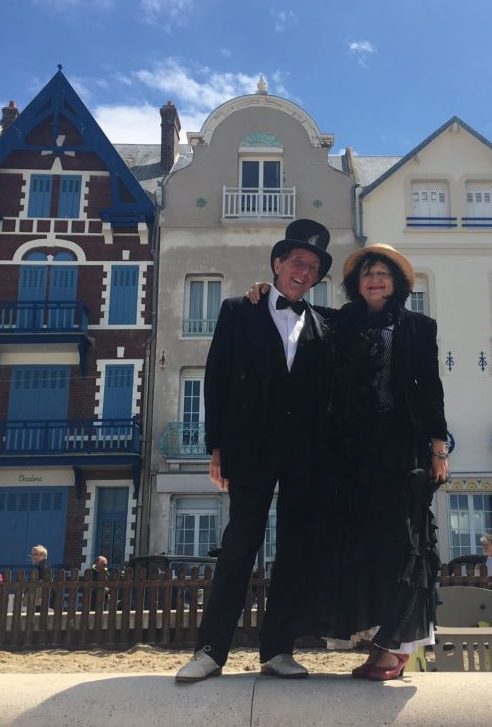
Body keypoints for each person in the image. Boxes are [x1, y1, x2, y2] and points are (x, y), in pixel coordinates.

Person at [175, 219, 333, 684]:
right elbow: (216, 378)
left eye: (314, 267)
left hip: (304, 455)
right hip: (251, 448)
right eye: (298, 262)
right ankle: (209, 651)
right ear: (278, 264)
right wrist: (216, 446)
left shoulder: (325, 325)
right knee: (239, 546)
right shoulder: (236, 310)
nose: (305, 272)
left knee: (293, 551)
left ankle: (278, 650)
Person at [303, 244, 448, 681]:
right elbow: (295, 314)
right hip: (350, 452)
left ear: (397, 282)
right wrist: (261, 292)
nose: (375, 279)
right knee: (357, 545)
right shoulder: (338, 321)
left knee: (398, 543)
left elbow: (430, 390)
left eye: (384, 273)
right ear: (356, 282)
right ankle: (380, 645)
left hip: (399, 448)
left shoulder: (419, 327)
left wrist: (438, 447)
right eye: (368, 272)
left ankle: (395, 648)